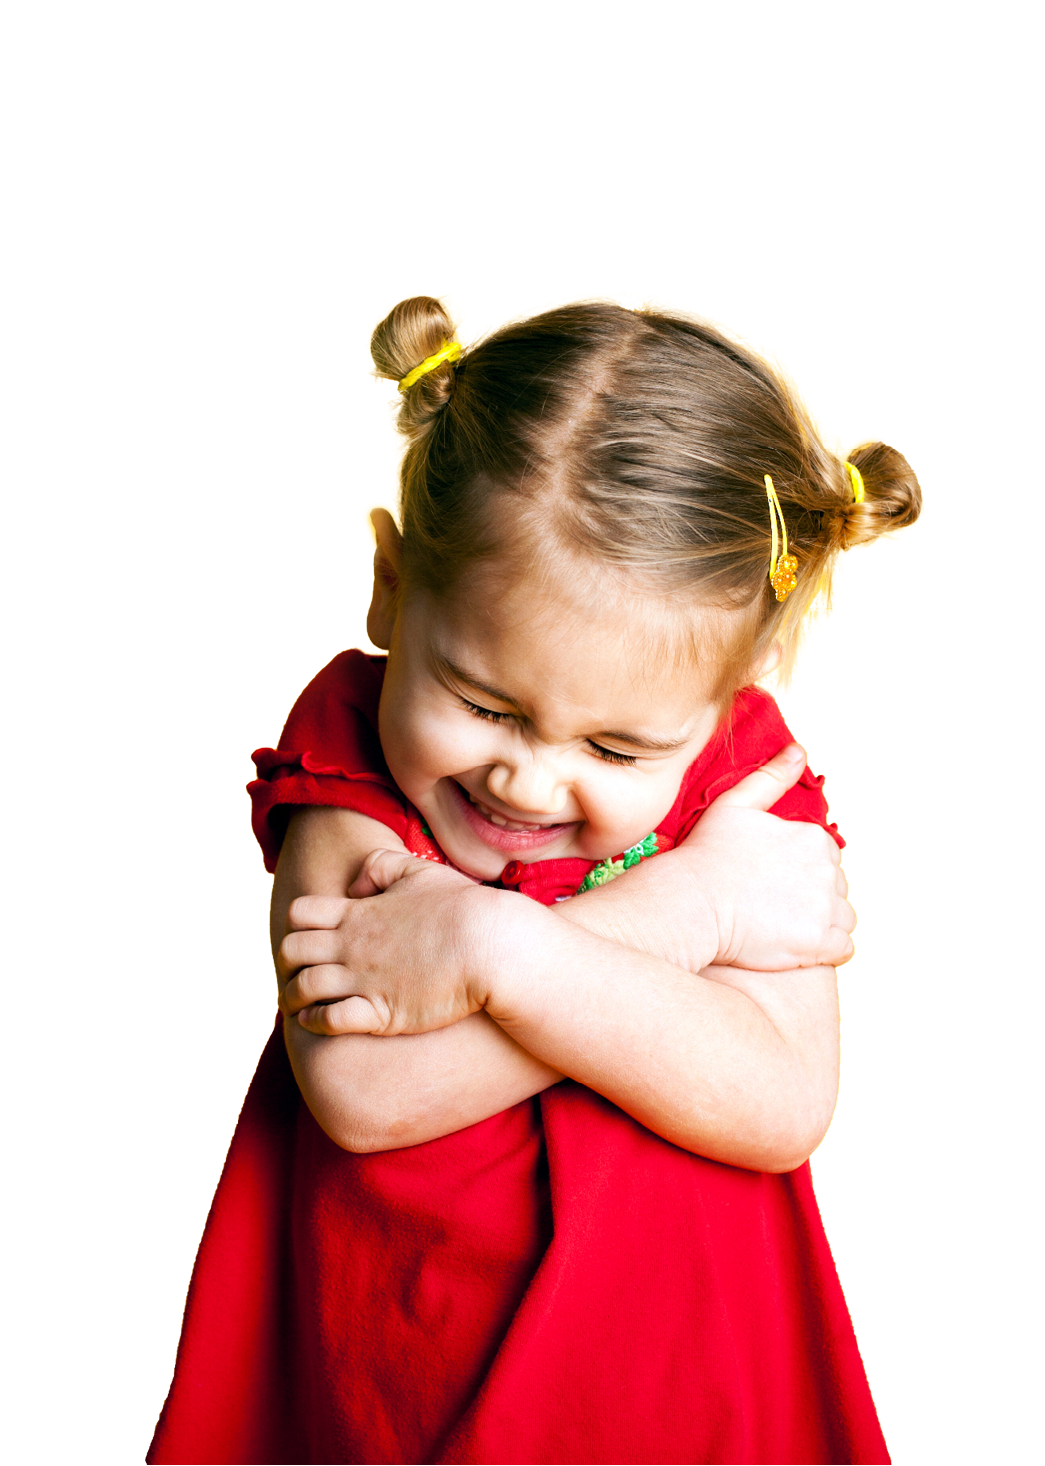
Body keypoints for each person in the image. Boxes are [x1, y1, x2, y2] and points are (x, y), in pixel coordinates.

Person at [147, 293, 923, 1465]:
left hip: (687, 1392)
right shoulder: (355, 755)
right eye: (482, 702)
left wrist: (502, 952)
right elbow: (362, 1087)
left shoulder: (742, 787)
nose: (527, 776)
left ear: (740, 683)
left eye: (615, 748)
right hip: (409, 1383)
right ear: (391, 585)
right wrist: (678, 910)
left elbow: (779, 1101)